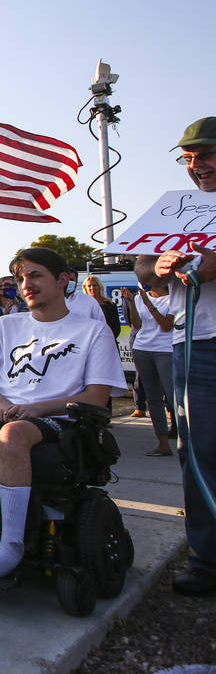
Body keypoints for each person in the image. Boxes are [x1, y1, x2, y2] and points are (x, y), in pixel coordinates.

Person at [0, 247, 126, 580]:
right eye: (20, 278)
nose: (26, 283)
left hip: (60, 416)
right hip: (4, 407)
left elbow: (97, 397)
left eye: (36, 275)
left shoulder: (92, 332)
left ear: (63, 280)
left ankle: (10, 548)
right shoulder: (5, 326)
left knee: (13, 434)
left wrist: (35, 409)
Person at [135, 116, 216, 596]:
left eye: (205, 154)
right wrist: (160, 266)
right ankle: (206, 559)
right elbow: (144, 267)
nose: (196, 165)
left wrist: (207, 265)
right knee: (198, 452)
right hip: (193, 345)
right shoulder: (174, 209)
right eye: (188, 158)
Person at [123, 285, 175, 456]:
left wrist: (149, 304)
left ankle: (185, 438)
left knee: (173, 396)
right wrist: (132, 303)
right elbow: (137, 325)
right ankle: (163, 444)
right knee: (153, 399)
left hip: (166, 350)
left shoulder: (173, 297)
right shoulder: (139, 297)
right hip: (142, 348)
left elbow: (167, 325)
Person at [82, 275, 122, 343]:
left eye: (95, 285)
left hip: (108, 342)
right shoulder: (82, 305)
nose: (92, 288)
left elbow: (116, 328)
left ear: (100, 287)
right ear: (85, 288)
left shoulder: (110, 305)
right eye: (89, 286)